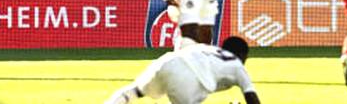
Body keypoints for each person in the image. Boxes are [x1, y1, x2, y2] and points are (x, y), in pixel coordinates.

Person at [103, 36, 260, 104]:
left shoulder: (210, 50)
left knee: (136, 91)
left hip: (168, 60)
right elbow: (251, 96)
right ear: (241, 54)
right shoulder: (237, 64)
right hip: (188, 77)